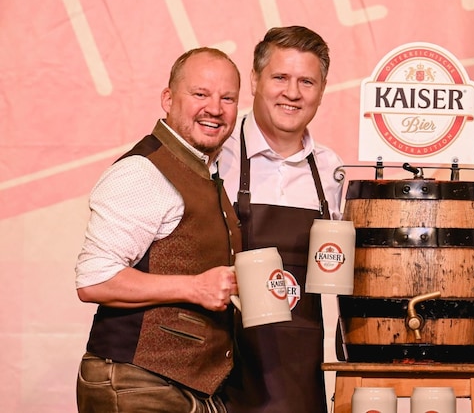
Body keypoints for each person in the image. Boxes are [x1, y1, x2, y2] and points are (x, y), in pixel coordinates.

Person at [74, 47, 243, 412]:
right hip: (137, 384)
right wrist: (195, 287)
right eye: (200, 94)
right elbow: (94, 280)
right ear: (168, 99)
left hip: (185, 388)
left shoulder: (202, 171)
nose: (215, 108)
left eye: (227, 98)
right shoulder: (143, 172)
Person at [218, 25, 344, 413]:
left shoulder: (332, 170)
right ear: (254, 80)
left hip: (300, 371)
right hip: (224, 372)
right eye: (280, 78)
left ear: (322, 90)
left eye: (307, 81)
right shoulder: (217, 157)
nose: (293, 93)